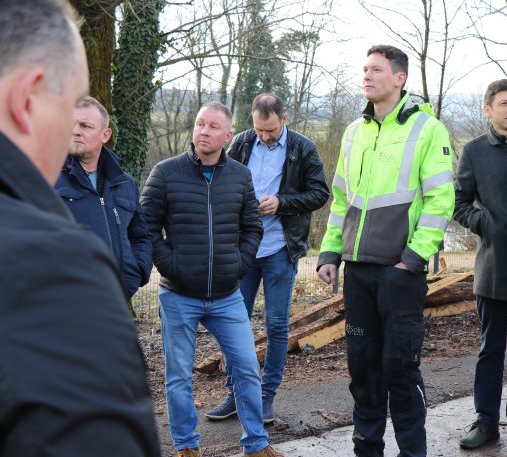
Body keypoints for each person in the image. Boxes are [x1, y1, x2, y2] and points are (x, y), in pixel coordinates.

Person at [0, 0, 160, 456]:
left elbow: (140, 232)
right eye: (68, 105)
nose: (71, 130)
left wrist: (130, 272)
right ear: (25, 100)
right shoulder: (54, 268)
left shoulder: (122, 183)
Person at [316, 45, 455, 457]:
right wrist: (330, 253)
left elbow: (441, 200)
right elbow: (341, 199)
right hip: (358, 273)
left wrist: (412, 259)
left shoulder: (428, 129)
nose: (367, 75)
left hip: (400, 273)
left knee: (400, 370)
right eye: (365, 69)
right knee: (363, 371)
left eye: (376, 69)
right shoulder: (354, 132)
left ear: (399, 78)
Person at [141, 101, 282, 457]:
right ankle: (186, 447)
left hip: (226, 295)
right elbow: (145, 228)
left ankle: (256, 445)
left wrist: (238, 265)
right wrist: (171, 265)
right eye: (200, 124)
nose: (203, 131)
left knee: (247, 368)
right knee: (178, 376)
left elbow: (252, 227)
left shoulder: (240, 176)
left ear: (228, 135)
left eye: (213, 126)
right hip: (178, 295)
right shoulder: (165, 173)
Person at [206, 92, 329, 423]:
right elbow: (222, 183)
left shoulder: (303, 148)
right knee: (234, 323)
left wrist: (281, 202)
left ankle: (265, 396)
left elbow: (320, 193)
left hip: (280, 249)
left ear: (283, 119)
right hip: (243, 249)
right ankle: (236, 394)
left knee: (276, 325)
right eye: (259, 129)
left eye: (271, 130)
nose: (264, 136)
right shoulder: (243, 143)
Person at [453, 79, 507, 455]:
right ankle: (485, 421)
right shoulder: (473, 151)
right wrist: (485, 224)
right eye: (503, 103)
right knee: (491, 348)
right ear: (487, 110)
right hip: (493, 263)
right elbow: (459, 203)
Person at [55, 96, 152, 299]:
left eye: (85, 126)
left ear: (105, 135)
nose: (75, 131)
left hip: (116, 300)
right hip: (63, 302)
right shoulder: (47, 178)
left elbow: (140, 236)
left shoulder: (124, 184)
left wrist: (137, 272)